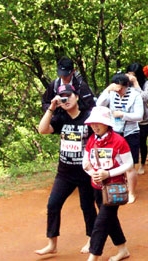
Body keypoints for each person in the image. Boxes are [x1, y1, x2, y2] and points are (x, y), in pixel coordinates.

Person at [35, 84, 96, 256]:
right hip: (65, 173)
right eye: (62, 97)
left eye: (69, 95)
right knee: (53, 204)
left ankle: (92, 239)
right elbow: (42, 130)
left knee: (87, 206)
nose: (66, 99)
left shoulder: (88, 117)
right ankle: (51, 243)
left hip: (85, 171)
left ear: (77, 97)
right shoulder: (61, 118)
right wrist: (51, 109)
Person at [83, 106, 132, 261]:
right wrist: (93, 174)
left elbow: (129, 164)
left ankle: (93, 257)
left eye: (99, 123)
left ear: (107, 124)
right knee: (110, 219)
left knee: (101, 222)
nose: (95, 126)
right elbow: (85, 162)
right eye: (92, 123)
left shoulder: (119, 141)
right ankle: (123, 249)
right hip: (97, 188)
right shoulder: (92, 140)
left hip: (114, 188)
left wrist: (108, 174)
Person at [96, 74, 144, 203]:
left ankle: (132, 192)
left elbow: (139, 116)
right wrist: (107, 90)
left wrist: (123, 115)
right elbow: (98, 105)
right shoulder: (111, 93)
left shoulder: (135, 95)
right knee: (116, 162)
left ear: (126, 86)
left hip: (131, 132)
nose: (118, 91)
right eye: (116, 88)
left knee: (130, 165)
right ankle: (119, 187)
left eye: (120, 89)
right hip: (115, 132)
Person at [126, 63, 148, 176]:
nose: (131, 77)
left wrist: (136, 84)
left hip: (143, 120)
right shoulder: (125, 84)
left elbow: (144, 97)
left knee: (142, 142)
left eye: (134, 75)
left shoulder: (147, 84)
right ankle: (130, 166)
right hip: (129, 120)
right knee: (129, 144)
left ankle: (142, 164)